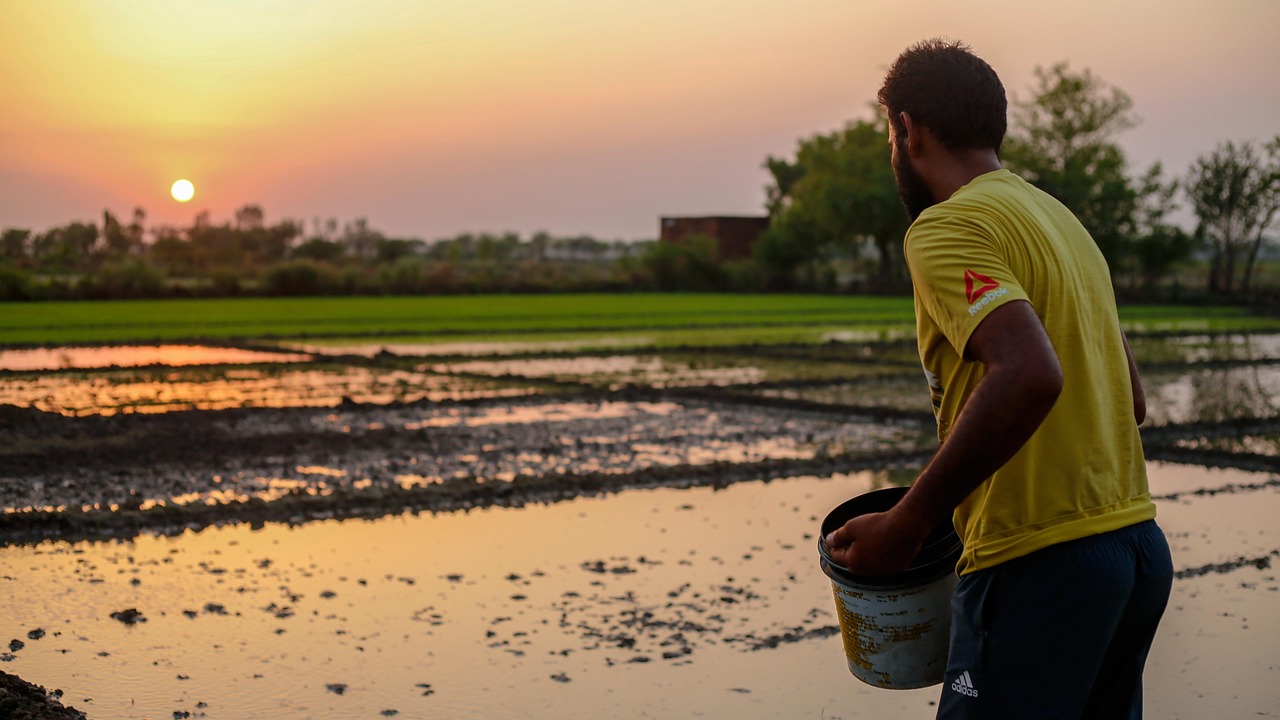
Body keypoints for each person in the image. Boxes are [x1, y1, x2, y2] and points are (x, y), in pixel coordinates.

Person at [823, 39, 1173, 719]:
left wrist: (908, 523)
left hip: (1038, 563)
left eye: (888, 135)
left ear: (907, 130)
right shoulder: (1062, 222)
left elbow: (1030, 374)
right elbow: (1129, 400)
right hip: (1135, 553)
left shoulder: (945, 228)